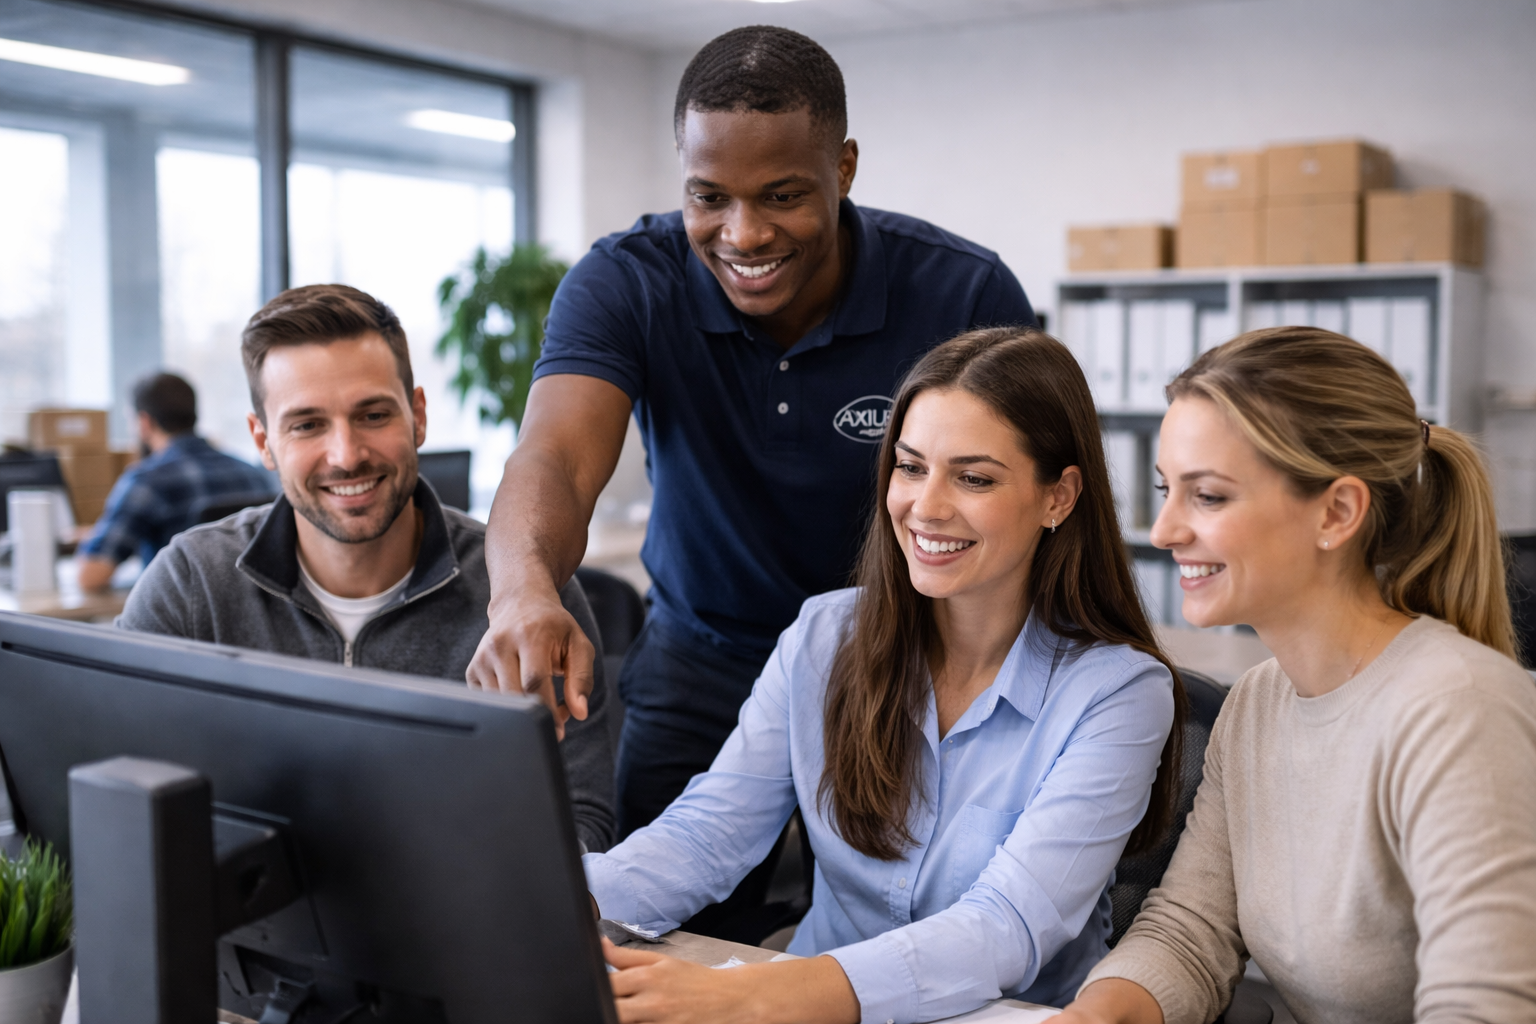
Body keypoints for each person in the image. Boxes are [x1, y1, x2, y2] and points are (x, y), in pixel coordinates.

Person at [469, 25, 1037, 840]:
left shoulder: (961, 292)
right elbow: (555, 455)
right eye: (709, 197)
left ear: (843, 168)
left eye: (781, 195)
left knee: (879, 932)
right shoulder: (627, 279)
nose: (743, 235)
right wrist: (524, 592)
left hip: (905, 659)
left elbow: (1030, 495)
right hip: (702, 657)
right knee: (656, 921)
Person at [589, 328, 1184, 1023]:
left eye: (974, 477)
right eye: (909, 467)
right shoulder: (824, 637)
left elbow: (1005, 927)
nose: (925, 506)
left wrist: (757, 993)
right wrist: (558, 905)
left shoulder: (1117, 693)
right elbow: (709, 835)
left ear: (1058, 497)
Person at [1060, 328, 1536, 1024]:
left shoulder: (1457, 709)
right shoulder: (1259, 702)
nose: (1163, 531)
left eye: (1209, 497)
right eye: (1168, 490)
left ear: (1337, 512)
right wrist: (1094, 1016)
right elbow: (1190, 933)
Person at [116, 285, 616, 853]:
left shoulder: (522, 593)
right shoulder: (191, 584)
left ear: (418, 416)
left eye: (373, 414)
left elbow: (581, 819)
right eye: (307, 425)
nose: (347, 454)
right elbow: (115, 796)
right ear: (263, 441)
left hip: (461, 928)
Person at [77, 372, 273, 590]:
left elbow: (91, 577)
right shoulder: (251, 472)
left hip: (177, 613)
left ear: (144, 423)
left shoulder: (146, 480)